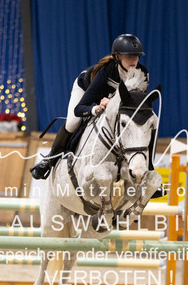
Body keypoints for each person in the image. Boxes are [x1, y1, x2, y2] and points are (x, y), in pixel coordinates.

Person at [30, 34, 150, 180]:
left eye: (137, 57)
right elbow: (80, 108)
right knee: (73, 122)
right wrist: (96, 108)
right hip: (85, 88)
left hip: (112, 101)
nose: (134, 60)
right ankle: (50, 160)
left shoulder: (142, 73)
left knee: (146, 124)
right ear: (117, 57)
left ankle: (149, 168)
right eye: (129, 56)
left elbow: (136, 103)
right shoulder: (106, 72)